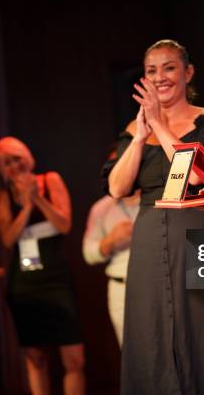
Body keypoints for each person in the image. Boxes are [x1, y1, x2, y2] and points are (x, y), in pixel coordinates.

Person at [104, 39, 204, 394]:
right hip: (149, 240)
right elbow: (117, 188)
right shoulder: (134, 131)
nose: (160, 77)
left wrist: (160, 127)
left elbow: (195, 176)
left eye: (169, 68)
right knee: (151, 334)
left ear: (188, 72)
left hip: (200, 236)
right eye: (152, 70)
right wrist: (139, 137)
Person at [0, 136, 85, 395]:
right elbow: (8, 238)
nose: (13, 167)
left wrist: (39, 198)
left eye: (16, 159)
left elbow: (64, 224)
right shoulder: (3, 196)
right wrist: (27, 205)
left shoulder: (50, 179)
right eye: (5, 163)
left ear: (27, 158)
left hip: (56, 277)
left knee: (74, 358)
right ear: (1, 170)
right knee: (35, 357)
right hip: (25, 282)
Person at [82, 148, 139, 346]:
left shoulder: (158, 200)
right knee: (131, 354)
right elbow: (88, 254)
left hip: (157, 285)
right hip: (121, 288)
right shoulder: (101, 208)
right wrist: (111, 241)